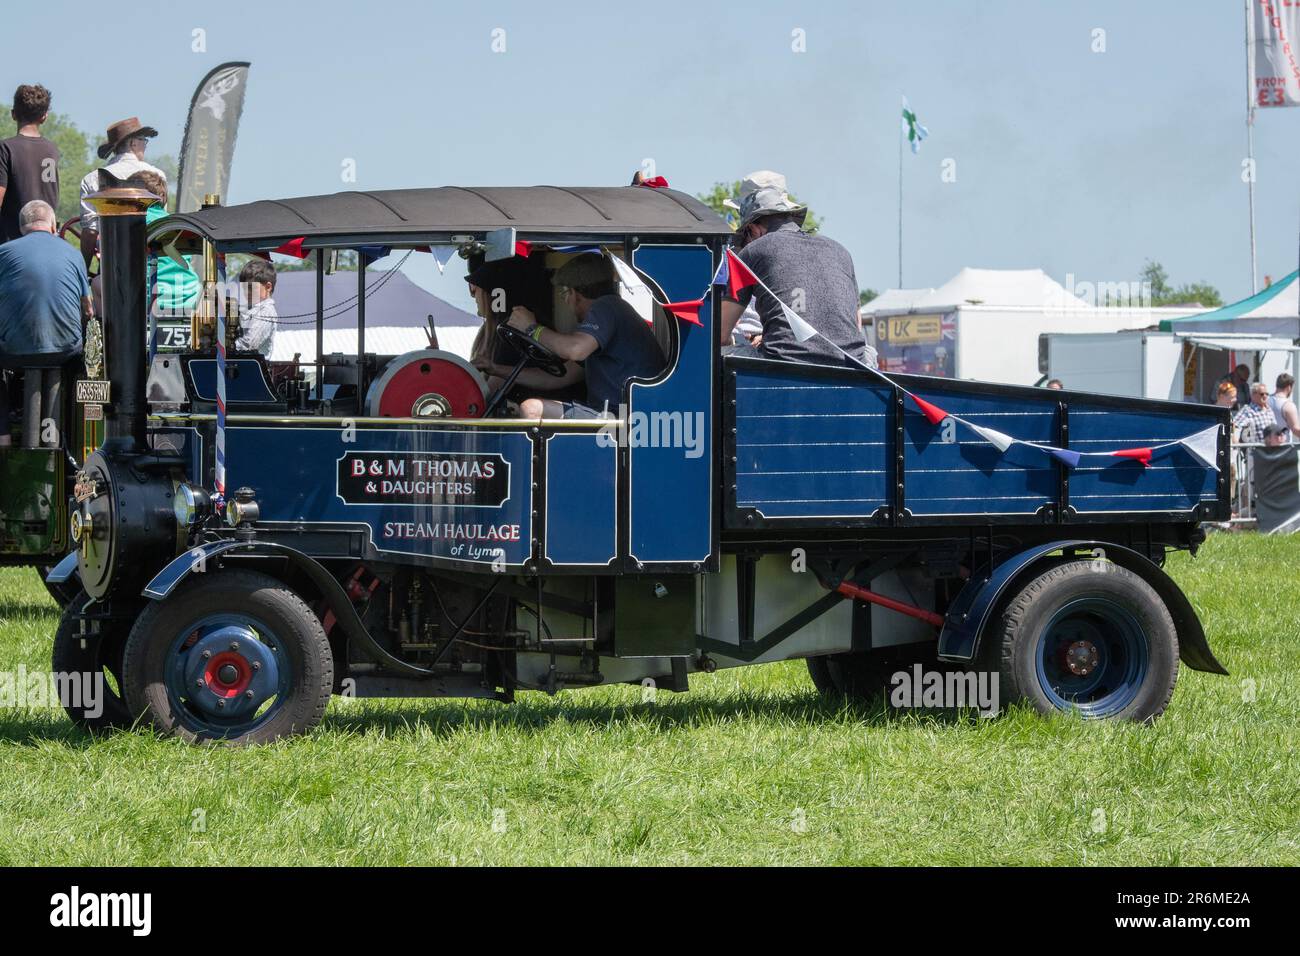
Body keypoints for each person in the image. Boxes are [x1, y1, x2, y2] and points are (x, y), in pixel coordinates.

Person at [719, 170, 872, 368]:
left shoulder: (753, 250)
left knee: (718, 353)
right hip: (852, 365)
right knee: (870, 352)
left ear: (754, 229)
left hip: (785, 365)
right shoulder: (840, 250)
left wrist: (740, 341)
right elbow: (855, 327)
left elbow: (721, 333)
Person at [504, 253, 665, 419]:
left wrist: (531, 328)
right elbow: (559, 377)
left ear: (574, 294)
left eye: (565, 294)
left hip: (623, 417)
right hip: (626, 415)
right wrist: (497, 370)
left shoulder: (606, 306)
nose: (566, 301)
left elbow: (575, 349)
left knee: (531, 409)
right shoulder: (613, 313)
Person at [0, 200, 90, 447]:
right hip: (66, 352)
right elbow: (89, 308)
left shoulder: (4, 252)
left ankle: (3, 436)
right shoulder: (73, 253)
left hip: (15, 353)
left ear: (22, 229)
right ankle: (73, 438)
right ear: (53, 225)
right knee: (79, 367)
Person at [78, 117, 166, 270]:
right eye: (144, 140)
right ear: (133, 143)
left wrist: (83, 273)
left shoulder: (91, 179)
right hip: (150, 263)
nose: (145, 146)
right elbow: (161, 225)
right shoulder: (158, 175)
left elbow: (91, 232)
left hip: (111, 264)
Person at [0, 84, 60, 244]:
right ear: (44, 116)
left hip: (12, 244)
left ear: (13, 114)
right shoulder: (52, 150)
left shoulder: (5, 148)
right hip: (48, 241)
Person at [236, 259, 277, 356]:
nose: (246, 292)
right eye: (244, 288)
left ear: (268, 287)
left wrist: (224, 348)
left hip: (253, 367)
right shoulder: (249, 309)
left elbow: (248, 345)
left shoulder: (266, 311)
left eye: (251, 288)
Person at [1267, 372, 1300, 442]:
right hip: (1283, 448)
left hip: (1265, 446)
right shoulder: (1288, 405)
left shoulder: (1265, 400)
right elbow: (1295, 429)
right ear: (1289, 387)